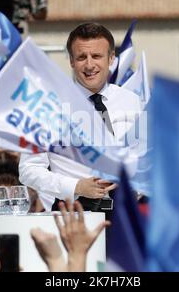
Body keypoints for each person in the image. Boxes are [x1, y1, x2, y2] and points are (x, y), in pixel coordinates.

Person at [19, 22, 141, 216]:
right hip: (72, 214)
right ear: (71, 61)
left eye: (97, 56)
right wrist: (76, 186)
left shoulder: (132, 102)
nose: (89, 64)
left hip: (125, 216)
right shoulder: (49, 105)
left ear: (111, 59)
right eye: (82, 57)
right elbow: (28, 170)